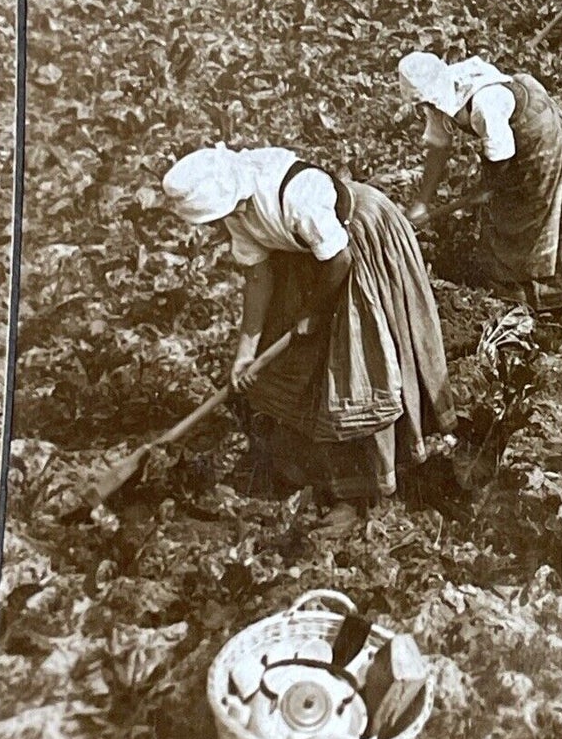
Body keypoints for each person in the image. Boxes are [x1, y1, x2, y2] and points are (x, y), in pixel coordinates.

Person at [162, 144, 454, 535]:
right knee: (287, 368)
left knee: (355, 374)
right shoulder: (236, 211)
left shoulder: (295, 195)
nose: (213, 227)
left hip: (355, 243)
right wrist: (246, 353)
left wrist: (314, 314)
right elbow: (258, 279)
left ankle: (359, 498)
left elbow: (340, 259)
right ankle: (308, 471)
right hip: (307, 259)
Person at [398, 51, 562, 352]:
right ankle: (534, 301)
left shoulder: (483, 104)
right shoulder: (439, 101)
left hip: (536, 133)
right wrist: (423, 202)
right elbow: (438, 146)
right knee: (508, 222)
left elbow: (499, 160)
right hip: (507, 142)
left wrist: (486, 190)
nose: (422, 109)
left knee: (556, 219)